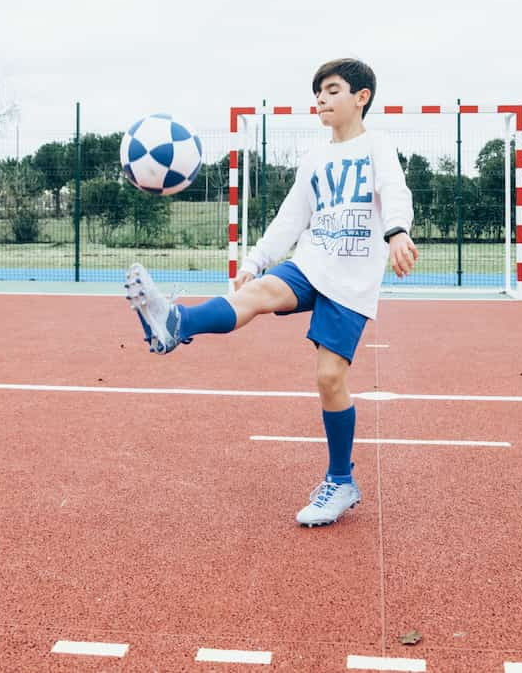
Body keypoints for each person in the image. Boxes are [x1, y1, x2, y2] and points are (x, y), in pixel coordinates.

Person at [125, 57, 417, 527]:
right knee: (257, 293)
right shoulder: (315, 157)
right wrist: (257, 258)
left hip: (351, 279)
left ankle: (341, 481)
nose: (321, 98)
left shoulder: (377, 147)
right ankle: (175, 322)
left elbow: (394, 190)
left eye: (333, 90)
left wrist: (398, 232)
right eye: (318, 91)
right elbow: (291, 216)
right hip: (310, 262)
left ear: (361, 97)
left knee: (328, 380)